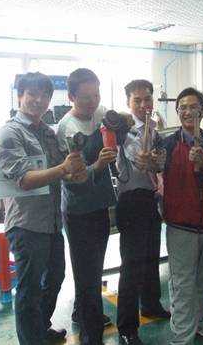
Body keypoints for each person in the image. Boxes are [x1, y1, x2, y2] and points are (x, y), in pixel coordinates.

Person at [0, 72, 88, 345]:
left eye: (45, 95)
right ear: (20, 96)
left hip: (51, 222)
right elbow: (24, 179)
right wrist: (64, 169)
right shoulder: (9, 133)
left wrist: (78, 172)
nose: (38, 100)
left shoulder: (48, 132)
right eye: (32, 94)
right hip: (26, 224)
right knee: (29, 289)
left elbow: (63, 170)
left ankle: (39, 329)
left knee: (55, 278)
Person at [57, 68, 117, 345]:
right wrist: (99, 166)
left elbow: (114, 119)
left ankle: (82, 312)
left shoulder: (99, 112)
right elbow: (72, 179)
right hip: (79, 210)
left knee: (94, 269)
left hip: (99, 205)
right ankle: (91, 336)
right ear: (71, 97)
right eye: (85, 97)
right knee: (86, 274)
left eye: (96, 95)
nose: (92, 102)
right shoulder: (67, 129)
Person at [161, 87, 203, 345]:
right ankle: (181, 337)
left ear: (202, 111)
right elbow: (154, 168)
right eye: (182, 107)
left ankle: (198, 322)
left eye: (193, 107)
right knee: (183, 284)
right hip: (181, 225)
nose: (187, 112)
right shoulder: (168, 144)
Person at [115, 79, 170, 345]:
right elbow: (142, 159)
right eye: (137, 100)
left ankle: (151, 304)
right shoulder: (125, 131)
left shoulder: (154, 129)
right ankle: (127, 327)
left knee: (151, 257)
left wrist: (160, 161)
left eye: (147, 99)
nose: (143, 104)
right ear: (128, 103)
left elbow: (160, 162)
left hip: (150, 198)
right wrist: (156, 160)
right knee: (132, 264)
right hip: (131, 201)